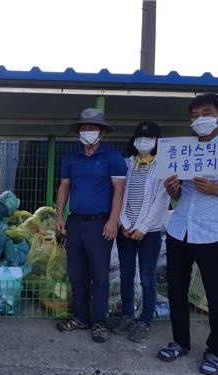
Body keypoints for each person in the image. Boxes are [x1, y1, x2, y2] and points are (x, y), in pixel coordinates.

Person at [158, 93, 218, 375]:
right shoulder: (182, 151)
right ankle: (180, 342)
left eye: (206, 113)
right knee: (176, 291)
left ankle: (215, 351)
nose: (200, 120)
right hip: (179, 231)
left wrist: (217, 190)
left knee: (216, 296)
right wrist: (173, 190)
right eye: (194, 116)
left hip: (213, 234)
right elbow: (178, 196)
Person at [55, 108, 127, 343]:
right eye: (84, 128)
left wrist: (113, 221)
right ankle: (80, 318)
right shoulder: (71, 158)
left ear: (102, 131)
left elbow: (119, 191)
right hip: (75, 222)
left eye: (93, 128)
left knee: (100, 276)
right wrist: (59, 216)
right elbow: (64, 187)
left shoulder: (112, 158)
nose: (88, 132)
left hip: (100, 224)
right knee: (76, 274)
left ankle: (99, 323)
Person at [112, 122, 170, 342]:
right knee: (126, 275)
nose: (143, 142)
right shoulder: (125, 164)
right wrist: (124, 223)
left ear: (157, 141)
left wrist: (143, 228)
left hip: (150, 232)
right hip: (125, 230)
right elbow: (118, 196)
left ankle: (145, 320)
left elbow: (162, 201)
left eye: (150, 137)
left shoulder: (163, 166)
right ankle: (127, 315)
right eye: (140, 137)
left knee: (147, 278)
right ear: (134, 140)